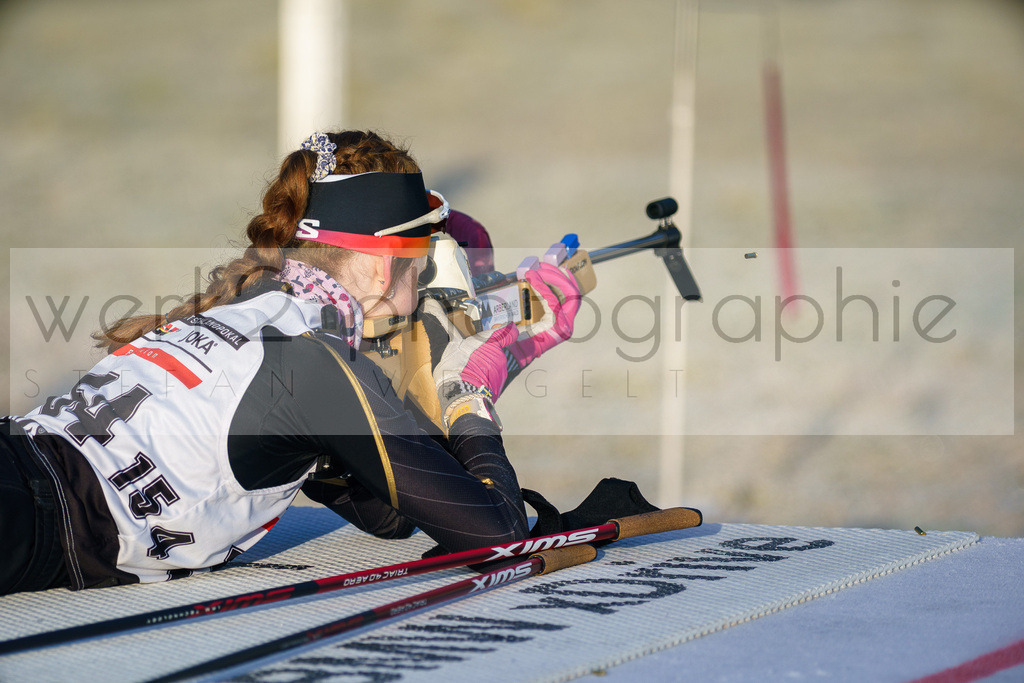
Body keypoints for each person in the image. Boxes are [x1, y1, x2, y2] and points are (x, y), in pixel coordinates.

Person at [0, 130, 582, 595]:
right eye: (423, 268)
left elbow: (392, 515)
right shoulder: (315, 362)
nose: (425, 287)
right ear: (384, 268)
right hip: (31, 510)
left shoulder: (249, 305)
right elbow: (498, 535)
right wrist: (470, 386)